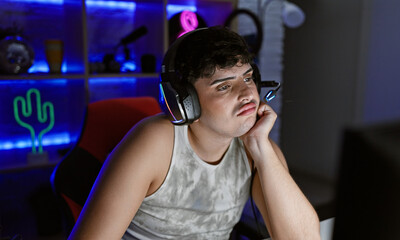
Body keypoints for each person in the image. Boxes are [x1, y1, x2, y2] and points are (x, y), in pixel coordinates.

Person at [68, 26, 320, 240]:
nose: (247, 95)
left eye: (248, 78)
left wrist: (262, 150)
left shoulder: (257, 147)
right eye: (224, 86)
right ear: (185, 101)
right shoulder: (154, 144)